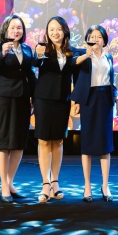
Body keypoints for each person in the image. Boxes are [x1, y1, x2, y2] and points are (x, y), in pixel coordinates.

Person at [0, 15, 37, 203]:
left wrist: (34, 96)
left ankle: (10, 182)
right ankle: (3, 185)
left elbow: (30, 74)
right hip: (4, 97)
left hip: (23, 98)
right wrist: (2, 54)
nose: (16, 31)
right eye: (13, 27)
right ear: (5, 30)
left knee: (18, 142)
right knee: (4, 142)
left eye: (19, 28)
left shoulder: (27, 49)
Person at [72, 25, 118, 203]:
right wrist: (87, 54)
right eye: (92, 36)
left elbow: (111, 80)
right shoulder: (82, 55)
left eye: (99, 36)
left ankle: (105, 185)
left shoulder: (109, 56)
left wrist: (117, 100)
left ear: (104, 39)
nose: (95, 39)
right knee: (87, 143)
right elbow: (74, 65)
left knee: (105, 143)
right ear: (87, 39)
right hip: (88, 100)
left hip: (105, 100)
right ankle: (87, 186)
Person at [32, 16, 79, 203]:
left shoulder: (72, 52)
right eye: (51, 29)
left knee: (58, 141)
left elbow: (76, 76)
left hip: (62, 100)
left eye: (58, 29)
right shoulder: (43, 49)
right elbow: (35, 64)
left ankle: (55, 182)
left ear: (65, 31)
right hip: (43, 99)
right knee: (44, 141)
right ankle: (45, 183)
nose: (55, 32)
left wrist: (76, 99)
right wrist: (38, 54)